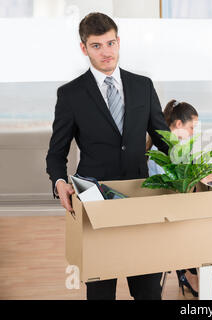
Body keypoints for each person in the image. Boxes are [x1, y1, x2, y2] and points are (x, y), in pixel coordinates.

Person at [46, 12, 170, 300]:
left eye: (110, 43)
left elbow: (164, 140)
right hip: (95, 201)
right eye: (97, 46)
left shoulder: (143, 85)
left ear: (118, 41)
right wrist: (59, 182)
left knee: (149, 290)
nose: (106, 52)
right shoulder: (70, 95)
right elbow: (56, 153)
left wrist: (192, 168)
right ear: (84, 48)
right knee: (101, 291)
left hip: (141, 199)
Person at [146, 99, 212, 297]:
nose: (193, 133)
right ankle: (192, 270)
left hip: (174, 206)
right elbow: (172, 183)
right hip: (165, 213)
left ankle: (200, 269)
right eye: (191, 127)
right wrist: (198, 177)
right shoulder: (161, 151)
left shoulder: (175, 148)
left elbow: (183, 177)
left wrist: (200, 175)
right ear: (178, 124)